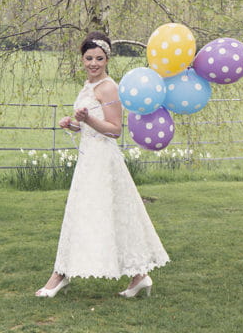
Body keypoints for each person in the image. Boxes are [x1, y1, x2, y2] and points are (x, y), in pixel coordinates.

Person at [35, 31, 170, 298]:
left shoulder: (109, 87)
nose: (93, 63)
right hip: (88, 159)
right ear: (82, 59)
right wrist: (72, 124)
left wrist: (87, 121)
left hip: (103, 162)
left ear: (107, 59)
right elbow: (89, 127)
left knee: (105, 214)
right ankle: (137, 276)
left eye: (99, 58)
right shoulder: (88, 86)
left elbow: (114, 130)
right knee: (88, 213)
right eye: (88, 58)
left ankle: (62, 274)